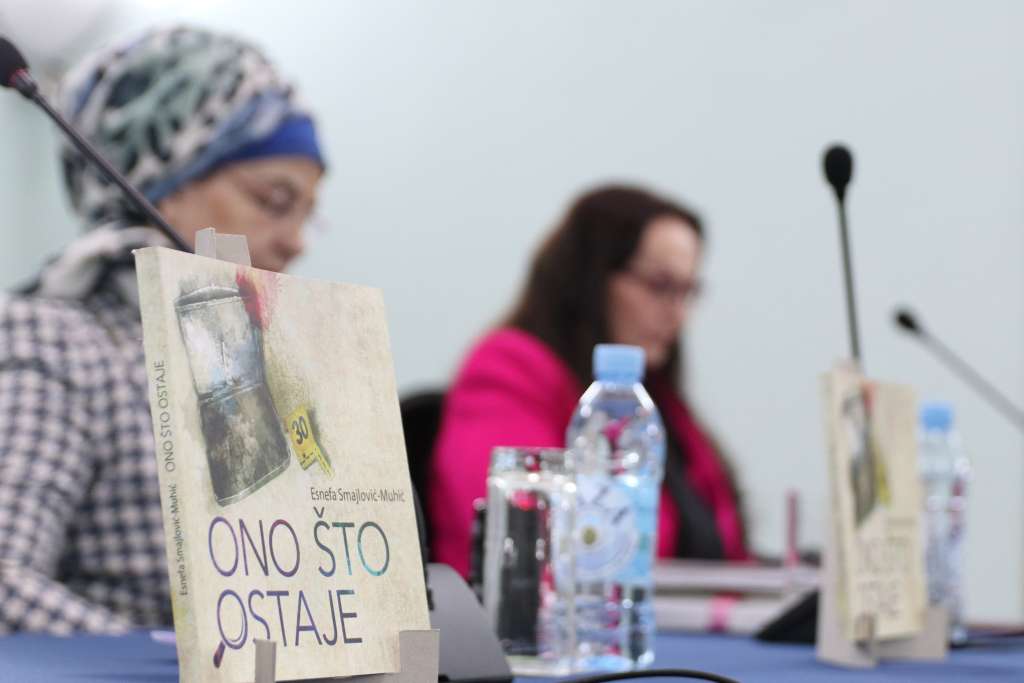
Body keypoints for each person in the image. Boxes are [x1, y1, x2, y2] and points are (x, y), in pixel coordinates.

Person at [0, 25, 325, 634]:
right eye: (274, 201)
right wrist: (179, 664)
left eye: (310, 215)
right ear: (161, 188)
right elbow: (4, 582)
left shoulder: (255, 355)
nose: (297, 241)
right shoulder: (57, 340)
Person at [429, 185, 748, 577]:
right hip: (541, 615)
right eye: (661, 285)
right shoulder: (507, 369)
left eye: (688, 291)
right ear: (592, 279)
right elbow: (533, 539)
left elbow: (727, 547)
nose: (678, 315)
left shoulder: (655, 399)